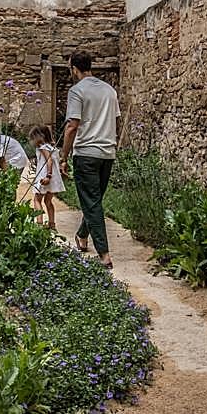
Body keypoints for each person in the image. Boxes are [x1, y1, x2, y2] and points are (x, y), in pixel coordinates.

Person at [59, 50, 120, 269]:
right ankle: (82, 236)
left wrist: (63, 156)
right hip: (107, 154)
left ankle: (104, 254)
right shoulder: (109, 90)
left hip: (85, 153)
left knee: (92, 201)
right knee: (94, 200)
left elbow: (72, 126)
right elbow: (116, 121)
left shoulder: (77, 91)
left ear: (74, 68)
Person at [28, 125, 65, 230]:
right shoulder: (53, 148)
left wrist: (48, 176)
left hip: (45, 177)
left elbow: (49, 160)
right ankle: (52, 224)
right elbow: (56, 162)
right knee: (48, 201)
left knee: (37, 199)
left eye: (33, 138)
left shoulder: (43, 147)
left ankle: (39, 224)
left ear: (40, 137)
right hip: (53, 178)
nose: (32, 141)